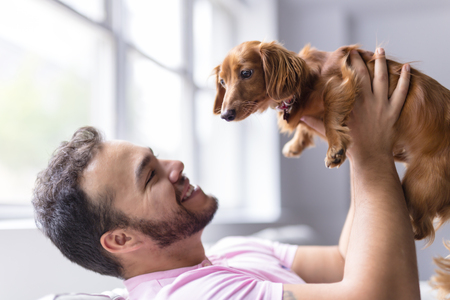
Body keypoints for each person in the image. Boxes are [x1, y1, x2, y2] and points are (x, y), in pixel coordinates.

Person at [32, 49, 420, 300]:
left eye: (158, 158)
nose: (175, 166)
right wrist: (371, 154)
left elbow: (342, 263)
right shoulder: (199, 295)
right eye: (150, 177)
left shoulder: (233, 251)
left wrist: (354, 139)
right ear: (120, 238)